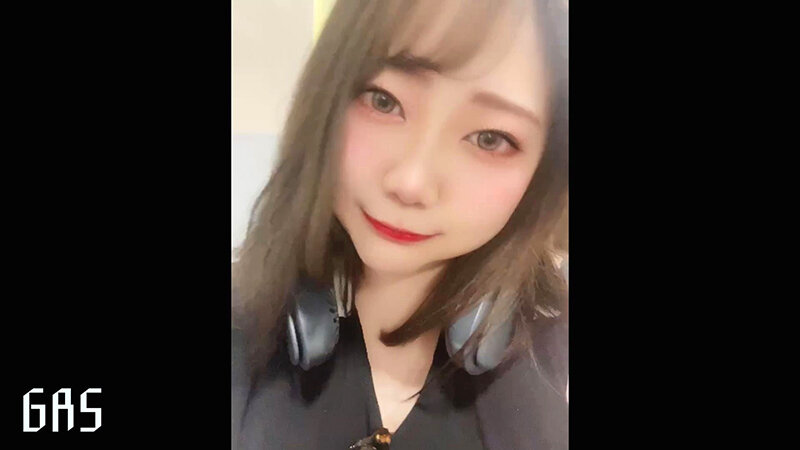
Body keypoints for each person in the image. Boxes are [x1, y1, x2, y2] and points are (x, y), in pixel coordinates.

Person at [232, 0, 568, 448]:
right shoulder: (242, 331)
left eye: (490, 138)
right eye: (383, 100)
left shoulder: (554, 368)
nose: (411, 183)